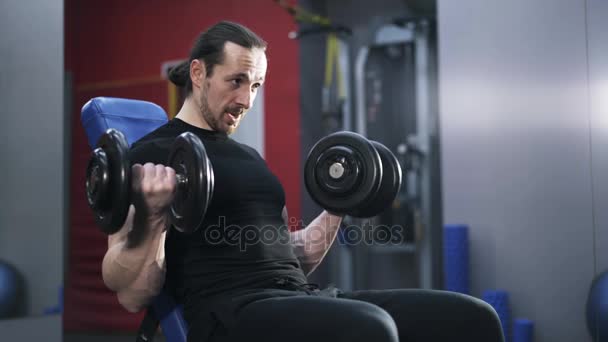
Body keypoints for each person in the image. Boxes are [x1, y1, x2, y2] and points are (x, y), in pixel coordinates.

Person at [101, 21, 504, 342]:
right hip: (229, 313)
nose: (247, 99)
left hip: (296, 296)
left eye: (256, 85)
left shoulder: (249, 158)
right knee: (369, 327)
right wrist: (154, 219)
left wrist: (341, 202)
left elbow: (296, 256)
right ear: (198, 72)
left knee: (471, 318)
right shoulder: (153, 156)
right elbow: (130, 292)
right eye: (236, 81)